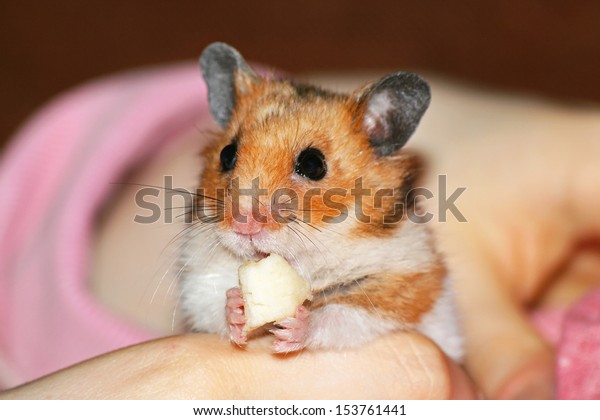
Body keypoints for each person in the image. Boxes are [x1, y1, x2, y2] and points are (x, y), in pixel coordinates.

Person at [1, 64, 599, 399]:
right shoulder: (211, 229)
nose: (247, 209)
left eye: (309, 166)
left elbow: (404, 307)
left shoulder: (389, 245)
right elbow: (200, 300)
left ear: (382, 142)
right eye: (232, 158)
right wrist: (227, 311)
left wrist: (322, 322)